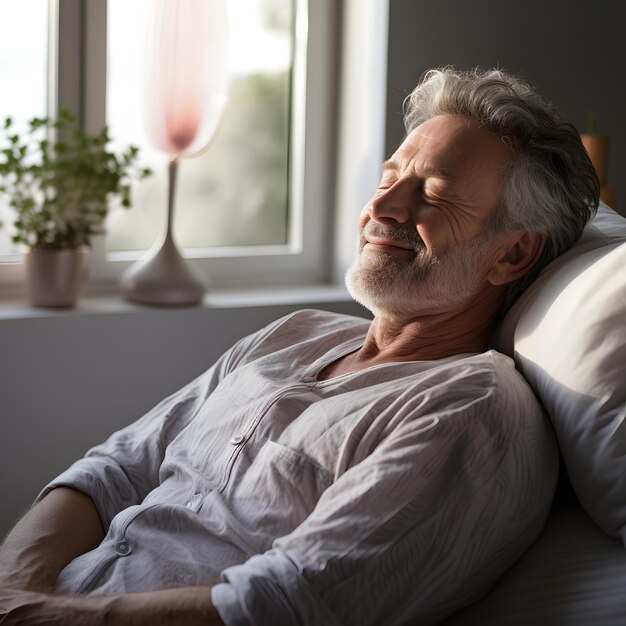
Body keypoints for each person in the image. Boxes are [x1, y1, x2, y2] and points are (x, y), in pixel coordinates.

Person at [0, 67, 599, 625]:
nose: (382, 208)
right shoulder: (293, 334)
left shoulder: (471, 408)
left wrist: (46, 616)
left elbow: (291, 601)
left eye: (433, 193)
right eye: (390, 178)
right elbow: (114, 469)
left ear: (514, 253)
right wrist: (16, 584)